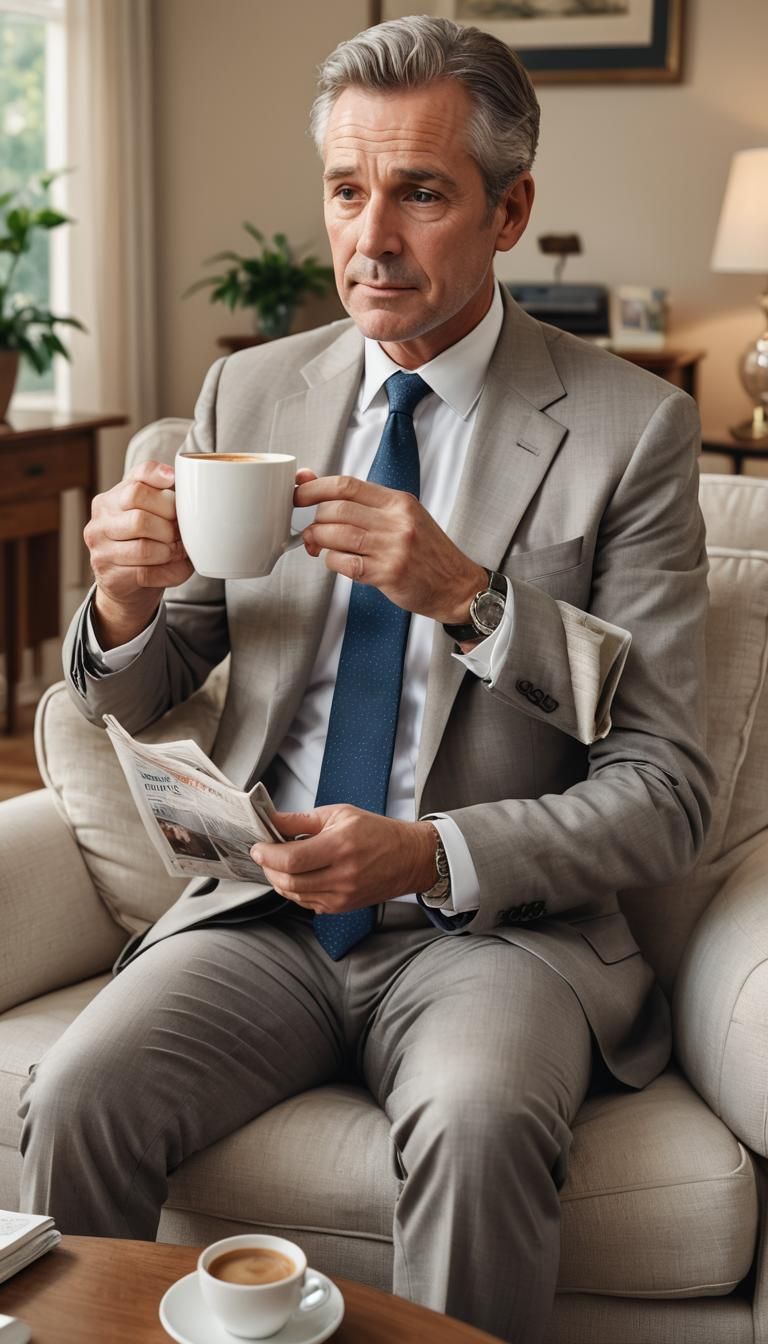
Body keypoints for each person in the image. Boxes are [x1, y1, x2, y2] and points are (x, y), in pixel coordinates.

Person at [16, 15, 713, 1343]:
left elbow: (668, 791)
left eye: (420, 193)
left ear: (510, 211)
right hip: (262, 916)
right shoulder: (249, 393)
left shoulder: (633, 433)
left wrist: (469, 599)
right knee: (84, 1087)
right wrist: (119, 600)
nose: (370, 238)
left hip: (497, 939)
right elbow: (142, 686)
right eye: (346, 190)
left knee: (481, 1117)